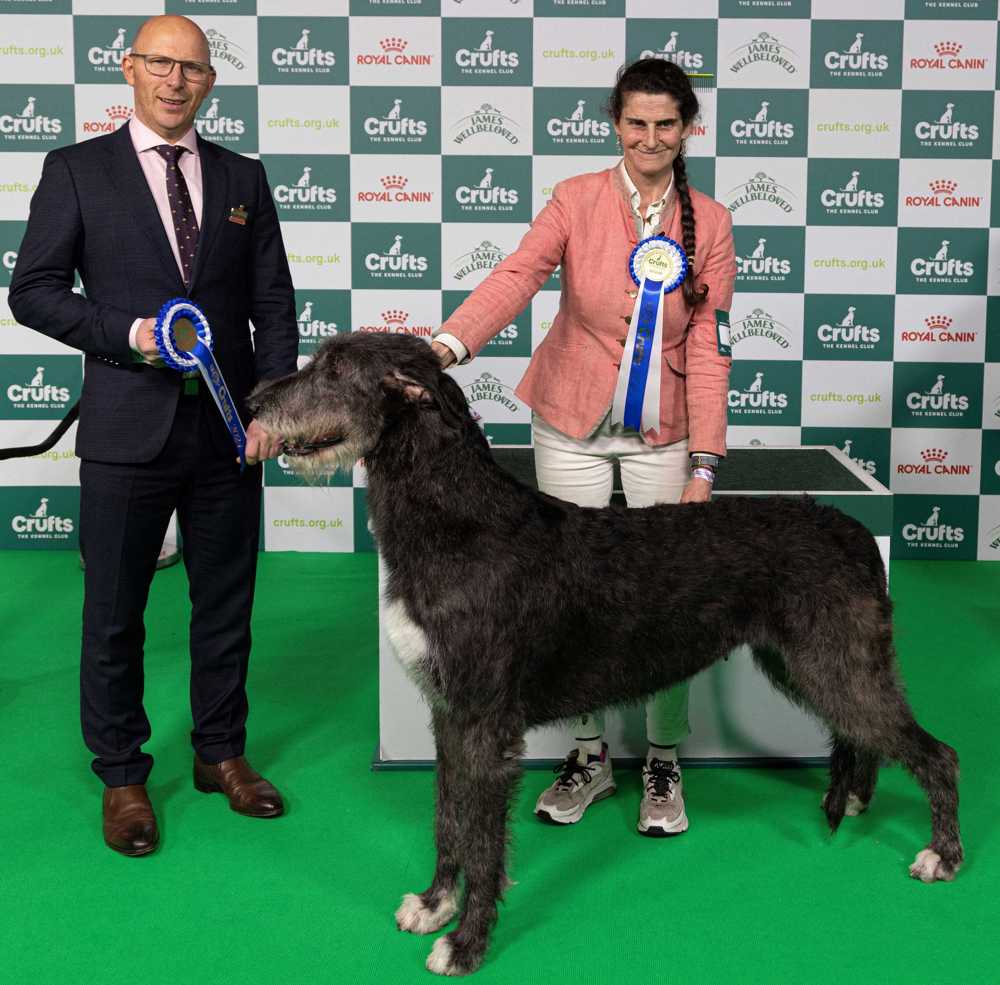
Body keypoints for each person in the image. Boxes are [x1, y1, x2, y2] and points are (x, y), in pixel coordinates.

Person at [9, 15, 298, 856]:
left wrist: (272, 407)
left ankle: (221, 753)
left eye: (193, 69)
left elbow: (272, 303)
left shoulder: (244, 176)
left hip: (227, 429)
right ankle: (123, 774)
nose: (176, 81)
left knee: (227, 605)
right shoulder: (76, 170)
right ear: (129, 70)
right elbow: (33, 290)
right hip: (124, 428)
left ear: (211, 82)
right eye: (160, 64)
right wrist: (127, 332)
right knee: (111, 613)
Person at [432, 58, 735, 837]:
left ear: (688, 128)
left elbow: (709, 347)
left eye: (666, 123)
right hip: (568, 422)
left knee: (672, 601)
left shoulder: (712, 220)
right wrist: (448, 345)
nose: (651, 137)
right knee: (567, 599)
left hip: (662, 432)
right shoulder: (576, 199)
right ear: (616, 123)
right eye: (636, 122)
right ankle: (591, 754)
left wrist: (705, 462)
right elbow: (518, 275)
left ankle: (663, 758)